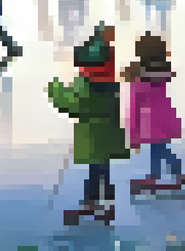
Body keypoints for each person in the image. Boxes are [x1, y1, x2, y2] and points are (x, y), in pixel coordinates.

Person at [48, 24, 129, 225]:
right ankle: (103, 204)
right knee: (101, 169)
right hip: (107, 134)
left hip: (92, 134)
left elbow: (72, 105)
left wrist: (55, 89)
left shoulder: (86, 84)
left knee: (97, 169)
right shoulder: (110, 85)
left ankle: (94, 203)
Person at [124, 32, 185, 193]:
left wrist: (133, 134)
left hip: (151, 120)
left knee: (159, 148)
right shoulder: (161, 73)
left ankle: (176, 171)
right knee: (158, 147)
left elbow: (135, 106)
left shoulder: (138, 80)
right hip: (167, 117)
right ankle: (156, 175)